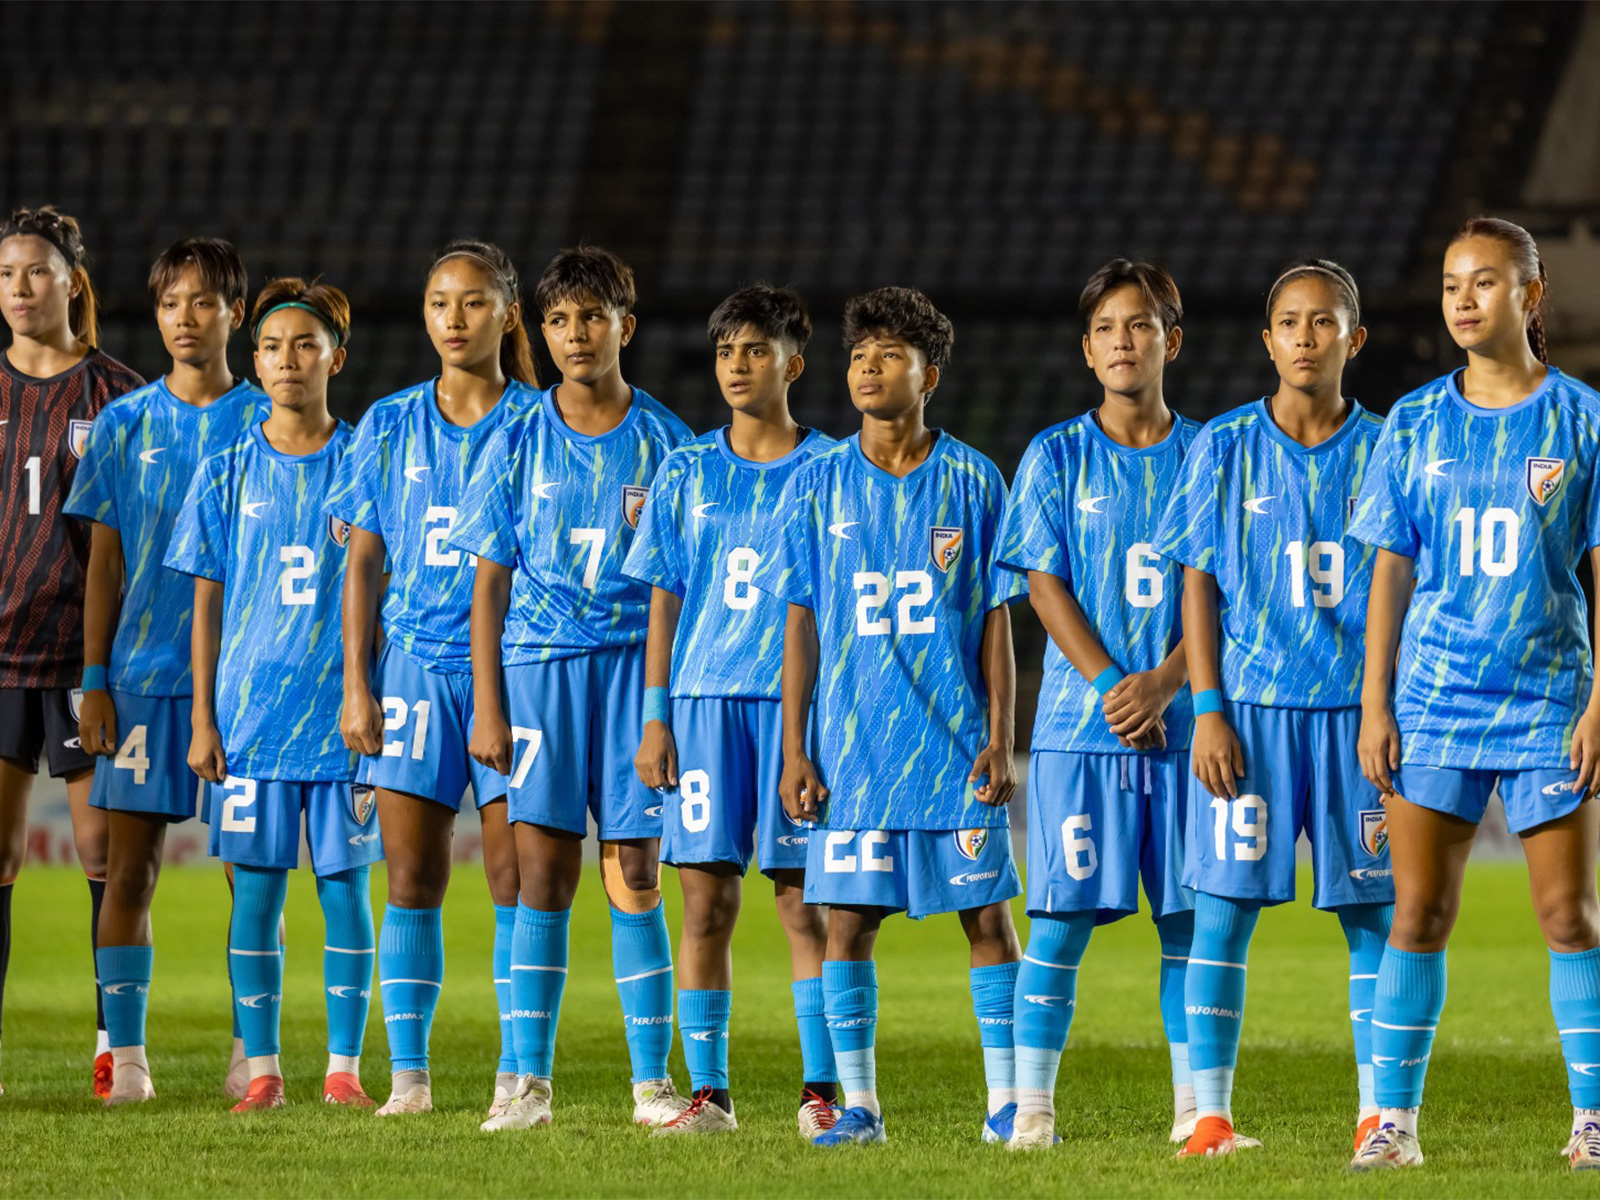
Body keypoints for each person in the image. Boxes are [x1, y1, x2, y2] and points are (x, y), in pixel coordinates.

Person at [1348, 218, 1600, 1171]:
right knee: (1417, 915)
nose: (1462, 298)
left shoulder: (1584, 419)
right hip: (1437, 703)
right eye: (1453, 282)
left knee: (1567, 914)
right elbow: (1390, 573)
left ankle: (1592, 1123)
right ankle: (1393, 1129)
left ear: (1531, 296)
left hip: (1548, 703)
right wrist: (1377, 704)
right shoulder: (1413, 421)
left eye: (1485, 281)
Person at [756, 286, 1024, 1147]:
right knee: (849, 925)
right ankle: (861, 1107)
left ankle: (1009, 1101)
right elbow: (800, 620)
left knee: (988, 921)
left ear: (929, 374)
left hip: (953, 752)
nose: (869, 368)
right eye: (859, 355)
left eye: (890, 355)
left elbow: (995, 621)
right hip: (856, 755)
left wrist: (999, 738)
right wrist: (796, 749)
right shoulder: (817, 482)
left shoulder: (975, 479)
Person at [1152, 260, 1396, 1157]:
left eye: (1323, 322)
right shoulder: (1221, 445)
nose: (1304, 336)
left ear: (1352, 339)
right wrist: (1206, 708)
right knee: (1220, 911)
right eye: (1289, 322)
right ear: (1267, 341)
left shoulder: (1386, 449)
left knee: (1373, 915)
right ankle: (1208, 1116)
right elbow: (1198, 585)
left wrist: (1385, 706)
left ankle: (1380, 1114)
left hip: (1352, 716)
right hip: (1249, 715)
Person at [452, 246, 693, 1131]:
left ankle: (650, 1086)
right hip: (541, 669)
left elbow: (677, 586)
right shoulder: (515, 435)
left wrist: (667, 707)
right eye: (557, 320)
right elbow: (488, 582)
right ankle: (527, 1086)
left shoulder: (668, 441)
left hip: (636, 671)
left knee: (636, 873)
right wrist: (488, 702)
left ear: (624, 326)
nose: (575, 334)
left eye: (592, 317)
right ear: (540, 332)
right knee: (540, 877)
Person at [623, 285, 837, 1137]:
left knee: (802, 904)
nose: (737, 367)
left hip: (800, 709)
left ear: (794, 360)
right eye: (725, 352)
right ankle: (709, 1093)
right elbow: (664, 603)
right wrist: (655, 715)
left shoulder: (832, 466)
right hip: (704, 705)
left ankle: (822, 1090)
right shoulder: (685, 467)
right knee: (705, 904)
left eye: (755, 350)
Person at [329, 240, 537, 1119]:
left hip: (518, 669)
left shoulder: (540, 420)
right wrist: (357, 683)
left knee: (514, 880)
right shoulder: (386, 422)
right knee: (410, 880)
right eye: (440, 303)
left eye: (474, 303)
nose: (455, 319)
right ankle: (408, 1077)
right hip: (412, 667)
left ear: (507, 315)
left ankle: (517, 1071)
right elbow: (363, 565)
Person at [163, 278, 381, 1112]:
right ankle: (262, 1072)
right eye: (271, 347)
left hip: (343, 722)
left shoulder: (369, 462)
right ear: (253, 362)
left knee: (343, 892)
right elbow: (206, 606)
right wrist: (203, 718)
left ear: (337, 356)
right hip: (251, 722)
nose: (287, 361)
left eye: (304, 345)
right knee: (254, 893)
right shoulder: (225, 471)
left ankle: (343, 1071)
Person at [996, 259, 1197, 1149]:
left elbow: (1232, 587)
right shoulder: (1055, 454)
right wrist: (1119, 684)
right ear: (1087, 350)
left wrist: (1169, 680)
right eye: (1109, 328)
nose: (1125, 340)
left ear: (1172, 342)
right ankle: (1033, 1108)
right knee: (1063, 923)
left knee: (1191, 924)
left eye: (1141, 324)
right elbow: (1045, 585)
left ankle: (1199, 1110)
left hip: (1193, 732)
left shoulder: (1212, 453)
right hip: (1084, 732)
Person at [67, 237, 268, 1105]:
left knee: (249, 878)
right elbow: (102, 566)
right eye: (170, 303)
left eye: (203, 302)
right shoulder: (123, 423)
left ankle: (249, 1054)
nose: (185, 318)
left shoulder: (269, 418)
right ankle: (129, 1059)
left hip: (247, 683)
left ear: (237, 311)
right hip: (144, 675)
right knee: (129, 869)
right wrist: (95, 678)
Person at [0, 205, 143, 1096]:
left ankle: (112, 1043)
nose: (19, 289)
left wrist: (111, 666)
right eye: (6, 274)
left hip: (91, 662)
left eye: (36, 272)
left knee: (103, 858)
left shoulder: (119, 397)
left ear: (72, 283)